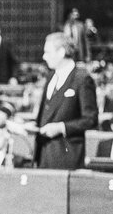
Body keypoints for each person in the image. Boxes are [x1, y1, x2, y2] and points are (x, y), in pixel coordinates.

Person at [34, 32, 98, 169]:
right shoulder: (51, 76)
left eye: (47, 52)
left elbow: (90, 119)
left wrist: (61, 127)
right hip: (44, 154)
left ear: (61, 52)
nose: (44, 57)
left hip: (66, 155)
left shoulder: (82, 79)